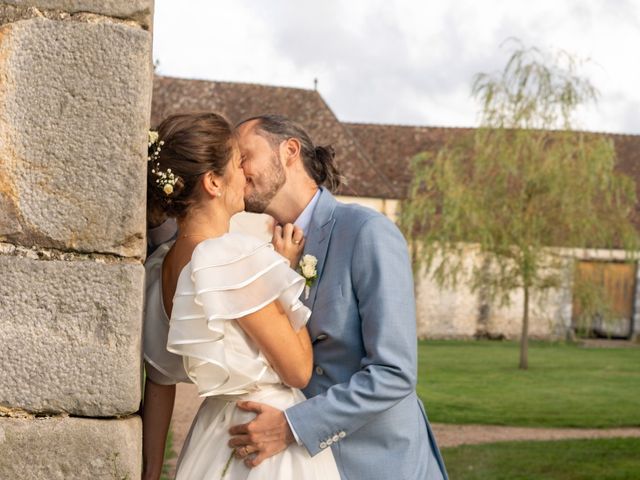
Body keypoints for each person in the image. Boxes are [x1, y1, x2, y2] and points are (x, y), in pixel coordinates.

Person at [225, 115, 448, 480]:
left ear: (290, 151)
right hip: (300, 467)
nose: (238, 169)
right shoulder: (262, 253)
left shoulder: (367, 231)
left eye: (244, 155)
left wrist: (291, 427)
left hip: (379, 464)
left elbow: (393, 373)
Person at [141, 112, 340, 480]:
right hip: (262, 439)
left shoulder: (161, 267)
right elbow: (297, 370)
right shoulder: (233, 257)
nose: (245, 173)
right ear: (214, 182)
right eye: (238, 162)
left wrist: (150, 473)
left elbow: (159, 381)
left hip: (213, 433)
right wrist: (280, 275)